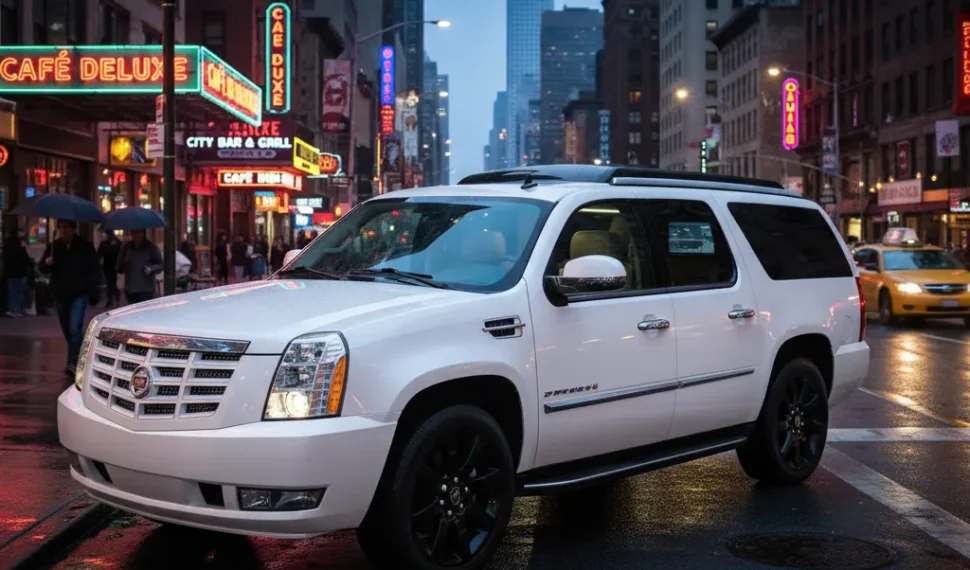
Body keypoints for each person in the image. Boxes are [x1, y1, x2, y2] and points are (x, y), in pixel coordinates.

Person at [39, 220, 101, 375]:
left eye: (66, 228)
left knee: (74, 328)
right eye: (61, 229)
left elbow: (94, 269)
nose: (64, 231)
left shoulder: (84, 247)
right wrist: (47, 263)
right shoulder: (54, 247)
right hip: (60, 293)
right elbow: (42, 268)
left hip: (79, 294)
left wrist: (91, 289)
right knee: (67, 329)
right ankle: (80, 355)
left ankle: (72, 362)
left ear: (74, 229)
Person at [117, 229, 163, 304]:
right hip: (131, 287)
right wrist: (122, 262)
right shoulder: (127, 247)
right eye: (133, 233)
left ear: (142, 234)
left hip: (146, 288)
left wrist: (151, 269)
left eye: (137, 233)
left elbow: (160, 265)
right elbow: (119, 267)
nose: (134, 235)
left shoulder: (151, 248)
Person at [3, 227, 30, 317]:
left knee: (13, 290)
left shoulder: (6, 246)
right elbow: (24, 258)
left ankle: (13, 309)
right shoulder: (19, 245)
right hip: (20, 271)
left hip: (10, 272)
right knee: (19, 291)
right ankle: (18, 309)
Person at [97, 229, 122, 308]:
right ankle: (112, 299)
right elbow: (99, 254)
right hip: (108, 265)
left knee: (112, 282)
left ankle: (113, 299)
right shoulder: (105, 243)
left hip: (114, 265)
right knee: (110, 282)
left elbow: (121, 253)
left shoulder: (117, 242)